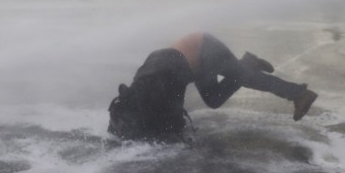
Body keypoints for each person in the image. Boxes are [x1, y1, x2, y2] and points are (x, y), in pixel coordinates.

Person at [108, 32, 318, 143]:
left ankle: (299, 94)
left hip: (204, 48)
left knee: (244, 78)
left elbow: (174, 117)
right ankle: (247, 64)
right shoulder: (144, 83)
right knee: (215, 97)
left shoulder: (160, 84)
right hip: (194, 59)